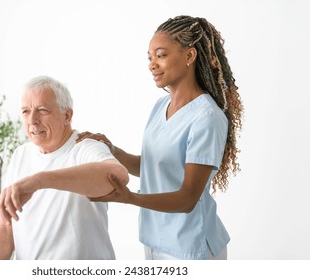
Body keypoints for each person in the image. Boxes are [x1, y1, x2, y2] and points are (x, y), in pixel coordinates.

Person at [77, 15, 243, 260]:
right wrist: (112, 150)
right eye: (150, 57)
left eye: (161, 55)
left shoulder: (207, 117)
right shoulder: (160, 107)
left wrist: (131, 198)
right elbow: (153, 167)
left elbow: (188, 198)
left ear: (189, 56)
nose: (152, 64)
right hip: (154, 240)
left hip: (191, 247)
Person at [0, 75, 129, 260]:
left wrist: (40, 180)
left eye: (42, 110)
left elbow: (119, 176)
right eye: (26, 111)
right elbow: (5, 226)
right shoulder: (21, 154)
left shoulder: (85, 146)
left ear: (67, 115)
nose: (33, 120)